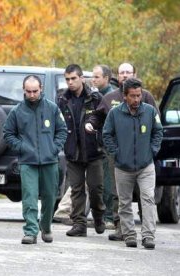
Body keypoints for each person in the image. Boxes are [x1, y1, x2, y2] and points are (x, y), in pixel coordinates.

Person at [93, 62, 159, 241]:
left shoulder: (149, 106)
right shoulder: (112, 106)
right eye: (121, 72)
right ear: (125, 96)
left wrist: (152, 150)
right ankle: (126, 232)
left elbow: (158, 130)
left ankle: (148, 235)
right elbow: (104, 130)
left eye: (139, 96)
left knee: (147, 198)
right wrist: (115, 152)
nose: (137, 99)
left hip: (145, 163)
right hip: (122, 162)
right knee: (122, 200)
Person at [4, 75, 67, 244]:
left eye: (35, 91)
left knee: (49, 196)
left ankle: (45, 227)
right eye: (28, 92)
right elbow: (8, 134)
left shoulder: (52, 108)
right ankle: (31, 230)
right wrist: (21, 147)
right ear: (24, 91)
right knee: (29, 197)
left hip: (49, 161)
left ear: (41, 89)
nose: (32, 95)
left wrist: (54, 148)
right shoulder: (17, 111)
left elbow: (62, 131)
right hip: (27, 162)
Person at [57, 64, 105, 237]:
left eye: (73, 78)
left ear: (81, 78)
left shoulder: (95, 97)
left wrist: (95, 127)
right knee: (76, 189)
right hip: (73, 152)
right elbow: (59, 123)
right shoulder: (62, 99)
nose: (70, 82)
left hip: (93, 151)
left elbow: (103, 119)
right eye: (67, 79)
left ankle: (99, 215)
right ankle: (79, 224)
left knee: (95, 189)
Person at [92, 64, 115, 229]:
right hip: (96, 146)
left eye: (96, 77)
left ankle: (109, 217)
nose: (93, 79)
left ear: (106, 78)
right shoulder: (95, 96)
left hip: (109, 147)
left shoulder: (112, 97)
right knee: (96, 184)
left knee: (108, 183)